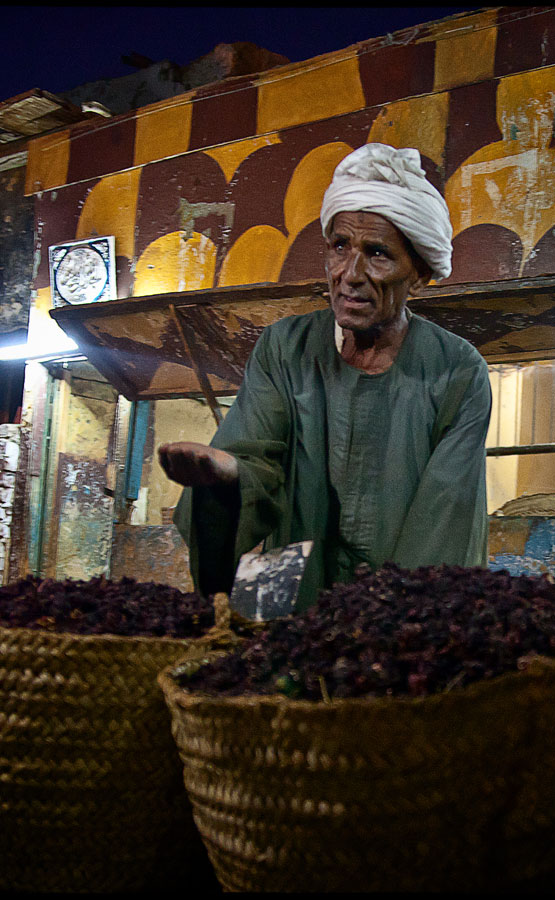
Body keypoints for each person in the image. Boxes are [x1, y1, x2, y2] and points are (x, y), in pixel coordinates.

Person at [159, 143, 492, 609]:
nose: (349, 274)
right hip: (290, 595)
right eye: (340, 247)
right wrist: (229, 477)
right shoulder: (284, 348)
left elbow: (442, 524)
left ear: (418, 275)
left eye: (377, 253)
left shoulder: (457, 371)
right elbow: (254, 461)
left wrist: (394, 630)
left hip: (397, 612)